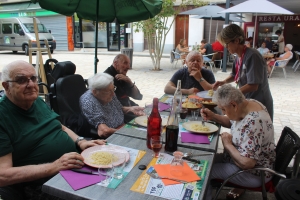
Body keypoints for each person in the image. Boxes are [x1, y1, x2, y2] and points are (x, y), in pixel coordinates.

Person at [0, 60, 105, 199]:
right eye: (21, 80)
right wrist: (54, 166)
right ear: (6, 86)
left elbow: (59, 126)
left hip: (73, 165)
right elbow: (3, 175)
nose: (31, 84)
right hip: (44, 182)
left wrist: (81, 141)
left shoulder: (36, 101)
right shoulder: (3, 116)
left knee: (119, 172)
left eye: (33, 78)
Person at [202, 84, 275, 200]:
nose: (224, 113)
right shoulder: (248, 104)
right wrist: (214, 116)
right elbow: (233, 121)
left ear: (234, 105)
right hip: (235, 161)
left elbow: (247, 163)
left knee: (205, 172)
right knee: (203, 161)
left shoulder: (253, 123)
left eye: (224, 109)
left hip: (253, 173)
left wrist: (227, 144)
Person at [213, 24, 273, 121]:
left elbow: (253, 85)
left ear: (236, 41)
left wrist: (232, 94)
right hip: (248, 100)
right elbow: (234, 74)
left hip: (259, 103)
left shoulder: (252, 56)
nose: (226, 47)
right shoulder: (238, 56)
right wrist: (223, 82)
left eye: (227, 44)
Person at [80, 73, 144, 138]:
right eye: (108, 91)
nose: (113, 94)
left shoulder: (110, 92)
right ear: (95, 92)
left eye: (113, 89)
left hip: (122, 126)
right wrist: (127, 132)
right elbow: (104, 131)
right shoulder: (89, 101)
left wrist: (130, 109)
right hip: (112, 136)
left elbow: (119, 108)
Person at [104, 54, 143, 121]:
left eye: (129, 64)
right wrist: (130, 109)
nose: (128, 67)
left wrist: (129, 82)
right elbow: (111, 106)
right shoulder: (106, 78)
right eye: (125, 63)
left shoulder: (122, 76)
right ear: (115, 63)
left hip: (130, 107)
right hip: (120, 113)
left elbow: (138, 96)